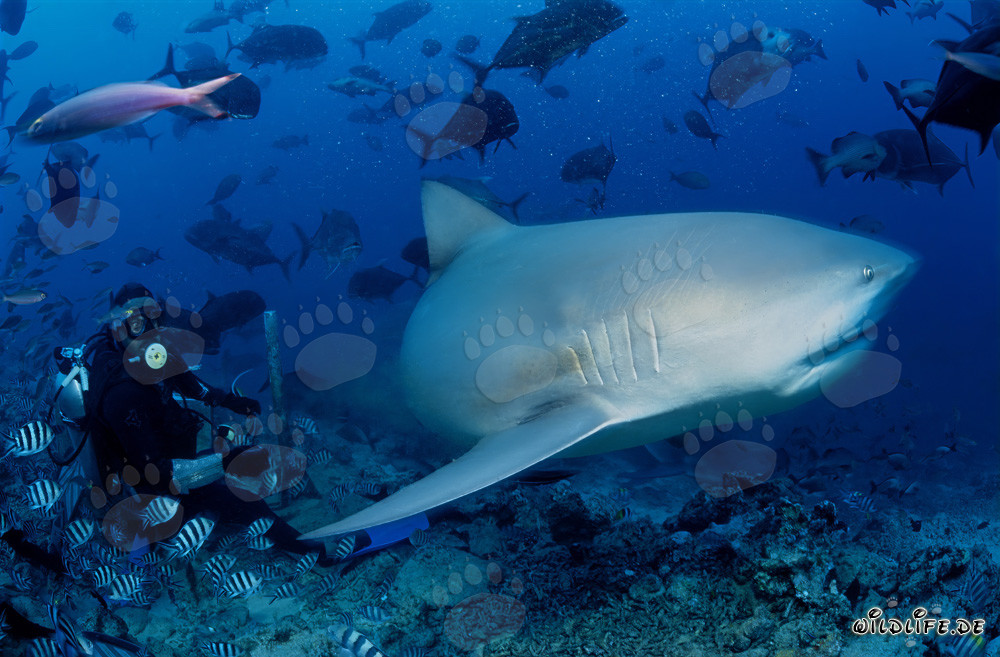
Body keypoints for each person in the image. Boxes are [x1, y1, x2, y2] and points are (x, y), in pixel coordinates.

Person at [57, 282, 324, 558]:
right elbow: (159, 476)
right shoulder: (122, 393)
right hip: (147, 494)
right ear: (119, 327)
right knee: (245, 503)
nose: (149, 328)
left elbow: (190, 384)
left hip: (161, 464)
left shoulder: (146, 357)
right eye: (137, 321)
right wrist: (226, 462)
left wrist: (231, 401)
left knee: (226, 471)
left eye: (154, 315)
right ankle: (315, 552)